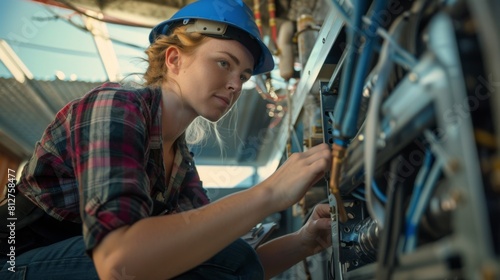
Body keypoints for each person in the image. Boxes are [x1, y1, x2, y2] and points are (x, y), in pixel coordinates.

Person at [0, 0, 332, 279]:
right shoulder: (116, 106)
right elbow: (117, 261)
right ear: (174, 60)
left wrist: (305, 241)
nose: (235, 85)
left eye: (243, 76)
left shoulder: (178, 161)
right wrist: (270, 191)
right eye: (223, 63)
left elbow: (220, 261)